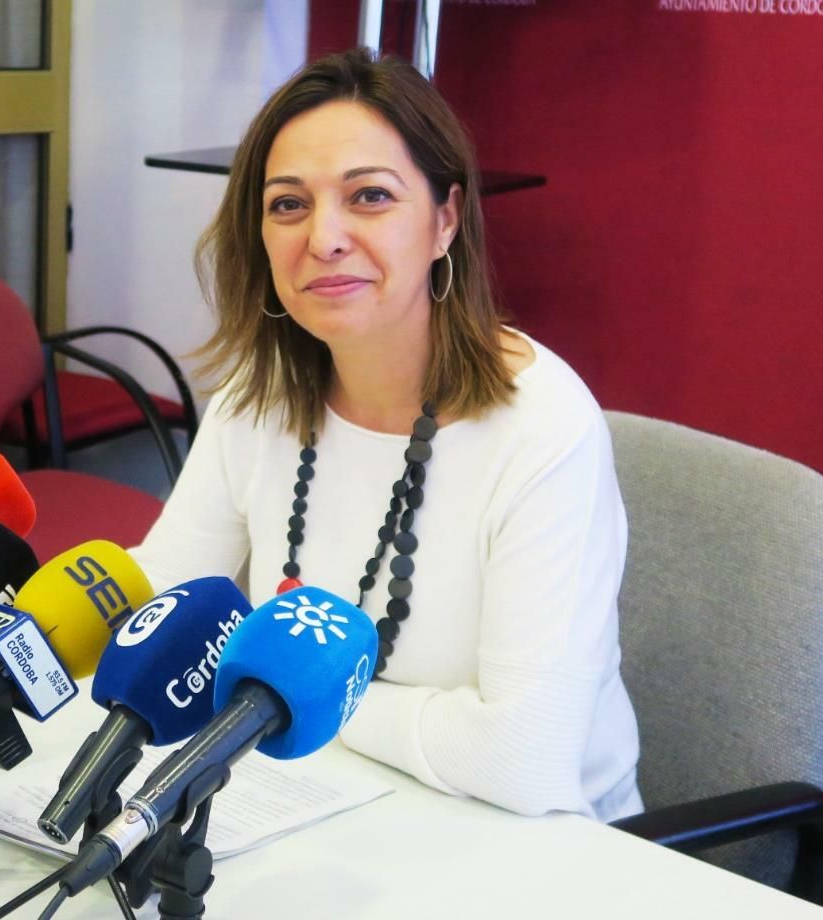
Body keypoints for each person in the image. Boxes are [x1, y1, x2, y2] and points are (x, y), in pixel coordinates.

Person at [130, 48, 642, 821]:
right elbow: (162, 596)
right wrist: (2, 644)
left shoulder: (543, 427)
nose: (324, 237)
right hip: (322, 801)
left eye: (369, 196)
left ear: (445, 220)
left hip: (531, 841)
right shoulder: (257, 399)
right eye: (288, 205)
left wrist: (272, 701)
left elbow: (522, 755)